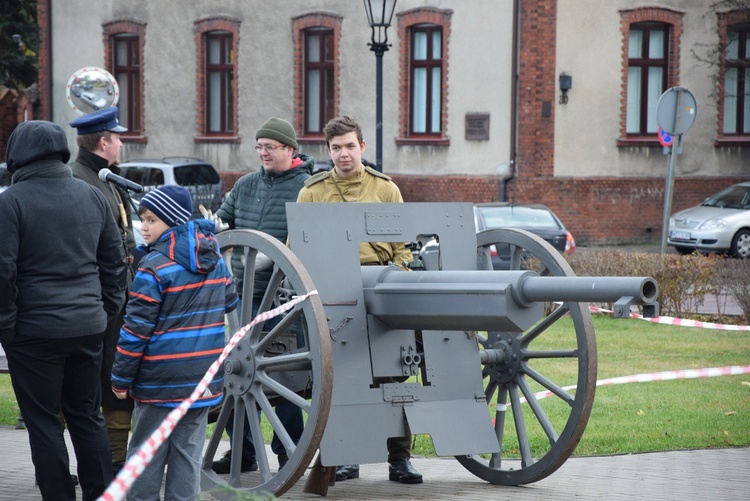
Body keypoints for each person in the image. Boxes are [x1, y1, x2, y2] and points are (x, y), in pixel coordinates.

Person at [0, 120, 128, 500]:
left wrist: (7, 326)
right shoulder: (91, 196)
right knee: (87, 417)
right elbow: (115, 264)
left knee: (43, 425)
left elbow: (3, 271)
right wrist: (104, 311)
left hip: (33, 332)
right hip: (88, 326)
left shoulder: (11, 202)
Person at [296, 115, 422, 484]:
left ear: (362, 147)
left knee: (394, 376)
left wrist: (394, 280)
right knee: (340, 379)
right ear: (328, 150)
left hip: (380, 286)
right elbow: (297, 248)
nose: (343, 154)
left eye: (350, 146)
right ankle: (345, 456)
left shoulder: (385, 189)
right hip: (332, 295)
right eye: (336, 148)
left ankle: (399, 460)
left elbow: (403, 249)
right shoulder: (312, 192)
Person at [111, 186, 238, 500]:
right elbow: (230, 301)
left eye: (152, 219)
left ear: (173, 221)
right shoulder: (216, 261)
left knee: (145, 456)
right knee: (187, 456)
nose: (144, 227)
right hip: (201, 381)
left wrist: (120, 377)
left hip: (159, 383)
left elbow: (135, 331)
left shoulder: (153, 268)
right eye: (142, 219)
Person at [209, 117, 315, 473]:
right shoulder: (245, 185)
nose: (264, 153)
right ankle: (243, 451)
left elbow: (307, 241)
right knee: (238, 376)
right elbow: (223, 221)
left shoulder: (306, 187)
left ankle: (290, 452)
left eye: (270, 147)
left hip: (282, 297)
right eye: (260, 147)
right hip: (243, 296)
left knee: (283, 377)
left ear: (289, 149)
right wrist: (213, 226)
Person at [69, 106, 137, 475]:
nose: (122, 142)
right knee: (91, 382)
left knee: (115, 377)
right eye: (118, 136)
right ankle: (100, 463)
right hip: (97, 299)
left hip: (116, 297)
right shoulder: (80, 181)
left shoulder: (108, 178)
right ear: (103, 142)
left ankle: (114, 459)